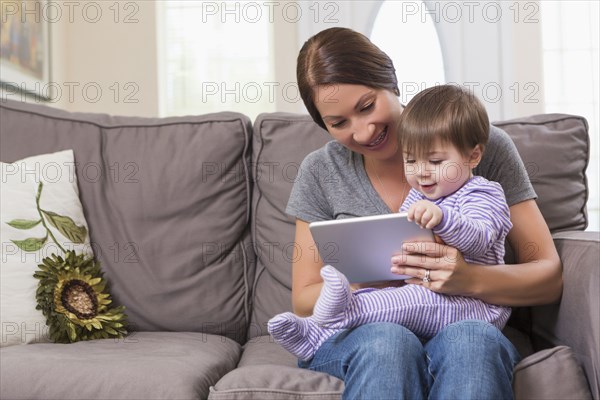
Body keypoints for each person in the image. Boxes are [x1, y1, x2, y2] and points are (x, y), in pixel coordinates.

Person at [283, 27, 562, 400]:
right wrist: (373, 281)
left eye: (367, 106)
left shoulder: (479, 145)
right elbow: (304, 297)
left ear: (392, 82)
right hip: (368, 334)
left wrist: (468, 279)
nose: (363, 132)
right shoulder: (321, 171)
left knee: (473, 340)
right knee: (389, 342)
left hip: (463, 324)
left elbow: (548, 276)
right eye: (339, 123)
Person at [268, 84, 513, 362]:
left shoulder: (483, 193)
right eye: (410, 161)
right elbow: (402, 242)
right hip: (427, 295)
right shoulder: (418, 195)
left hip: (471, 307)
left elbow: (480, 238)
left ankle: (324, 328)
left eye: (434, 161)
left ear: (473, 157)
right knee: (384, 297)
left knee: (406, 302)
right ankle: (318, 331)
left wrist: (444, 220)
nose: (421, 172)